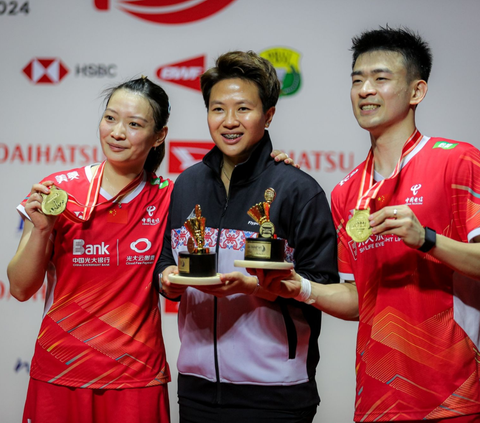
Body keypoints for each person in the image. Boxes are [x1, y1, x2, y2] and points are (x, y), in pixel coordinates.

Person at [259, 26, 480, 423]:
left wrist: (426, 239)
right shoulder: (347, 192)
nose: (364, 90)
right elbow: (359, 300)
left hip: (453, 396)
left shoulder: (457, 162)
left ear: (417, 92)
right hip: (377, 399)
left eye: (381, 78)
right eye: (357, 80)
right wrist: (300, 288)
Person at [154, 50, 338, 423]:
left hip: (276, 393)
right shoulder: (186, 184)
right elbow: (166, 262)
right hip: (197, 388)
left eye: (243, 109)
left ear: (268, 115)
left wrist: (259, 287)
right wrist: (168, 282)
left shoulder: (297, 189)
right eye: (218, 109)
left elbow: (321, 287)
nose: (229, 121)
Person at [7, 77, 174, 423]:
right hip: (60, 369)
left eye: (134, 124)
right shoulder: (59, 191)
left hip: (136, 377)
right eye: (110, 118)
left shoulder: (171, 196)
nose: (117, 132)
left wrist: (275, 162)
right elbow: (21, 288)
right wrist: (41, 231)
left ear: (159, 136)